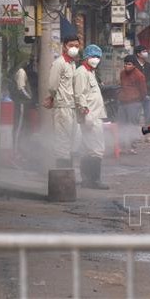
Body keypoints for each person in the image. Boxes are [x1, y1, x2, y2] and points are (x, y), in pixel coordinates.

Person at [74, 44, 109, 190]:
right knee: (96, 149)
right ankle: (94, 180)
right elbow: (79, 95)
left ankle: (87, 179)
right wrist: (85, 114)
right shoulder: (81, 73)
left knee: (89, 148)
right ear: (86, 57)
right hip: (90, 116)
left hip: (95, 115)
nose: (96, 59)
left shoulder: (90, 72)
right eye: (93, 56)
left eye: (98, 57)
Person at [47, 35, 80, 168]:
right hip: (62, 107)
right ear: (64, 46)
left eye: (77, 46)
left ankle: (69, 173)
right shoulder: (59, 63)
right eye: (71, 45)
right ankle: (62, 176)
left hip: (71, 107)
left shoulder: (72, 63)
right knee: (62, 142)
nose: (74, 48)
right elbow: (52, 86)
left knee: (73, 141)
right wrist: (52, 98)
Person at [118, 55, 147, 154]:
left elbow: (143, 91)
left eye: (129, 64)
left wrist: (139, 101)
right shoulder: (122, 73)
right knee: (121, 125)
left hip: (134, 103)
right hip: (123, 102)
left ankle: (132, 146)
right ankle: (121, 146)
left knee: (132, 125)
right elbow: (121, 86)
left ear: (134, 65)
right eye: (125, 64)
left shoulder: (139, 75)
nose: (126, 66)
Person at [12, 61, 32, 156]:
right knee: (19, 127)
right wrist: (30, 97)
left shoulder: (20, 71)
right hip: (21, 103)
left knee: (20, 126)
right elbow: (21, 88)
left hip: (21, 103)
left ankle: (18, 150)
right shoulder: (21, 71)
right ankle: (15, 152)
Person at [133, 46, 150, 130]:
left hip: (147, 93)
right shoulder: (133, 65)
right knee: (135, 114)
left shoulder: (148, 65)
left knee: (148, 115)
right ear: (138, 54)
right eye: (144, 51)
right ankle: (134, 132)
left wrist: (146, 86)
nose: (146, 53)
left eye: (146, 51)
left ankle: (147, 132)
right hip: (136, 94)